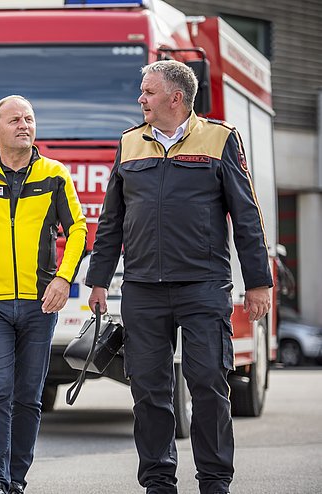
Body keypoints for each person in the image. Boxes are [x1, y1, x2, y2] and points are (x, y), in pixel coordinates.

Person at [86, 60, 273, 494]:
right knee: (149, 391)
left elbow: (246, 215)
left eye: (148, 92)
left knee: (208, 382)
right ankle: (157, 483)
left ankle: (214, 481)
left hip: (203, 286)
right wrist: (98, 280)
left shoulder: (220, 139)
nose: (140, 99)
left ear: (175, 97)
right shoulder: (130, 143)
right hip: (143, 289)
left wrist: (259, 281)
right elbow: (111, 219)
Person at [0, 95, 88, 494]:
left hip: (40, 304)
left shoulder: (54, 174)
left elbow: (77, 229)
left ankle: (16, 481)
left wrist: (63, 279)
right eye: (14, 120)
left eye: (29, 118)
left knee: (28, 396)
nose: (24, 125)